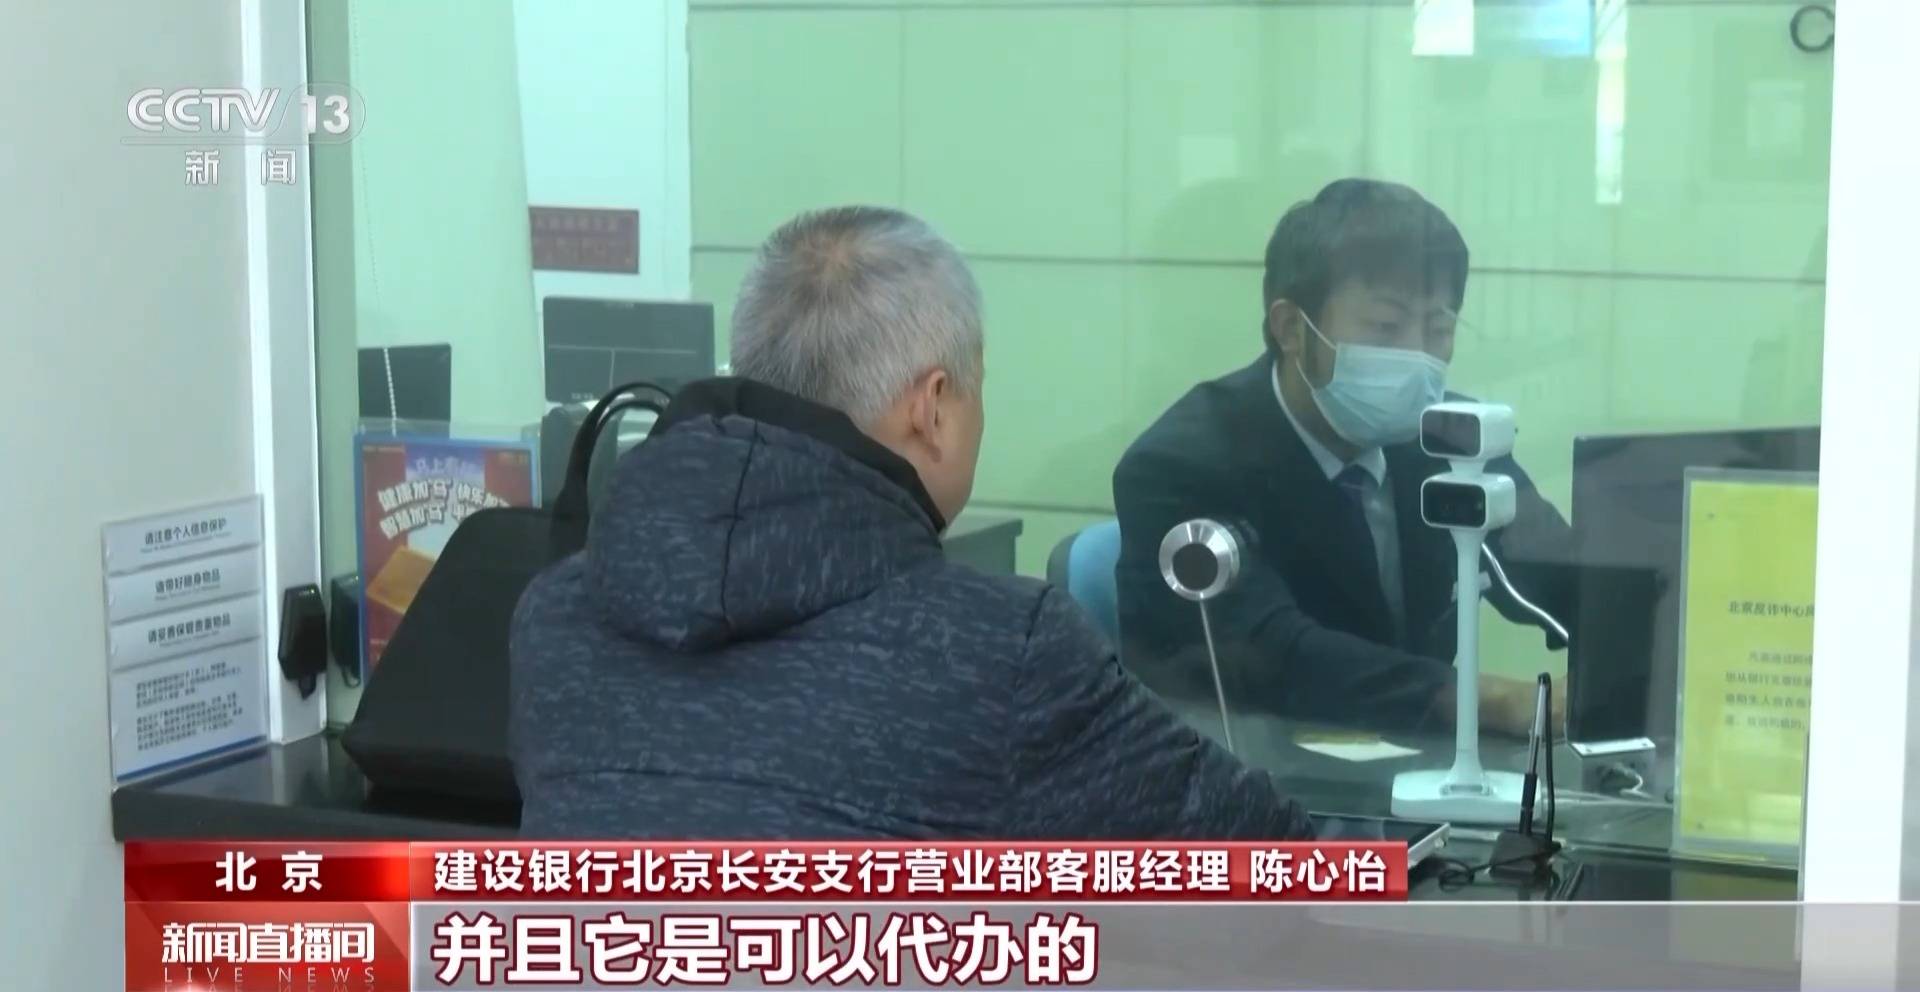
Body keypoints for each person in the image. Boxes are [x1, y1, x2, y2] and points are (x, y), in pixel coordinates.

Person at [510, 206, 1315, 840]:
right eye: (976, 388)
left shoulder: (556, 618)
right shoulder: (1003, 653)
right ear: (932, 408)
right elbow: (1266, 862)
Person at [1113, 179, 1575, 737]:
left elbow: (1562, 576)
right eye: (1385, 327)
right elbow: (1273, 655)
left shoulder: (1451, 439)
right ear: (1291, 329)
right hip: (1243, 764)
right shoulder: (1180, 466)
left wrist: (1641, 638)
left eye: (1439, 328)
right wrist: (1497, 700)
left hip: (1416, 767)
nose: (1417, 356)